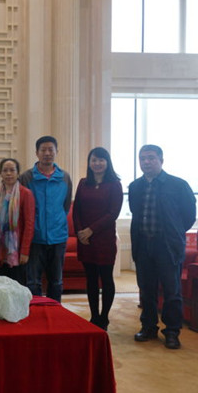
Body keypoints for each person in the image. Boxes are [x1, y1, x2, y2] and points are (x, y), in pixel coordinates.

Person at [129, 144, 196, 349]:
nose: (146, 162)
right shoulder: (135, 186)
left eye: (151, 158)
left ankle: (172, 332)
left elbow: (188, 216)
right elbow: (136, 213)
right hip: (143, 245)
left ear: (161, 160)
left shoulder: (178, 185)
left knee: (171, 291)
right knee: (146, 289)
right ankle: (148, 327)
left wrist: (174, 233)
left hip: (167, 246)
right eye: (142, 158)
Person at [72, 147, 123, 330]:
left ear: (107, 162)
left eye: (101, 160)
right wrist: (80, 232)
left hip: (104, 239)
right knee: (91, 278)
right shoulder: (83, 183)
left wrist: (91, 230)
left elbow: (113, 213)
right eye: (94, 160)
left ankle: (104, 317)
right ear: (89, 163)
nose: (97, 163)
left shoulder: (115, 184)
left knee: (106, 278)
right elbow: (76, 210)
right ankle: (94, 316)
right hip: (85, 240)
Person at [19, 136, 72, 302]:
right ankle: (35, 315)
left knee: (56, 282)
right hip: (34, 238)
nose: (47, 153)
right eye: (43, 150)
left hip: (58, 237)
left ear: (57, 152)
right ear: (37, 153)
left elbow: (65, 206)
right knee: (33, 282)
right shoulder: (26, 177)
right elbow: (21, 207)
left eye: (51, 150)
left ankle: (55, 314)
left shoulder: (64, 177)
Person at [0, 158, 35, 285]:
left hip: (16, 251)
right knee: (0, 286)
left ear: (18, 173)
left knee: (17, 286)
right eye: (5, 170)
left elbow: (29, 225)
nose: (8, 173)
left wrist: (25, 251)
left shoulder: (26, 194)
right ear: (0, 173)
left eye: (12, 170)